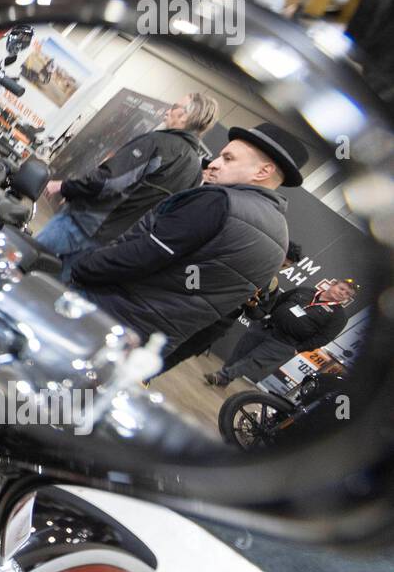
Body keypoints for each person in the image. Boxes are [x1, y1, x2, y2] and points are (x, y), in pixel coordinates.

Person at [69, 122, 310, 355]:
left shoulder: (218, 201)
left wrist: (81, 268)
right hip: (151, 343)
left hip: (105, 316)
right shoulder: (280, 239)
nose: (214, 164)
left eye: (228, 158)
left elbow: (142, 254)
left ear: (263, 171)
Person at [40, 92, 219, 277]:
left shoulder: (156, 143)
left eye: (174, 106)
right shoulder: (195, 171)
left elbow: (108, 182)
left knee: (28, 261)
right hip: (115, 246)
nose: (168, 111)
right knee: (60, 289)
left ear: (185, 116)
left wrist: (63, 187)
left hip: (84, 225)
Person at [159, 241, 302, 375]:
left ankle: (147, 377)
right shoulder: (241, 259)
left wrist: (251, 306)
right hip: (195, 309)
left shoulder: (271, 284)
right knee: (161, 340)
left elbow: (259, 314)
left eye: (285, 266)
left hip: (218, 325)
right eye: (281, 262)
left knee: (181, 354)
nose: (280, 267)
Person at [207, 278, 356, 387]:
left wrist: (298, 349)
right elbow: (280, 300)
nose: (342, 293)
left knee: (253, 361)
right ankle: (224, 378)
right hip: (266, 326)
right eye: (341, 288)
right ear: (333, 284)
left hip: (285, 343)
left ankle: (221, 376)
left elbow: (324, 338)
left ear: (347, 298)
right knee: (240, 353)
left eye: (347, 294)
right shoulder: (306, 290)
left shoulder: (339, 317)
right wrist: (266, 315)